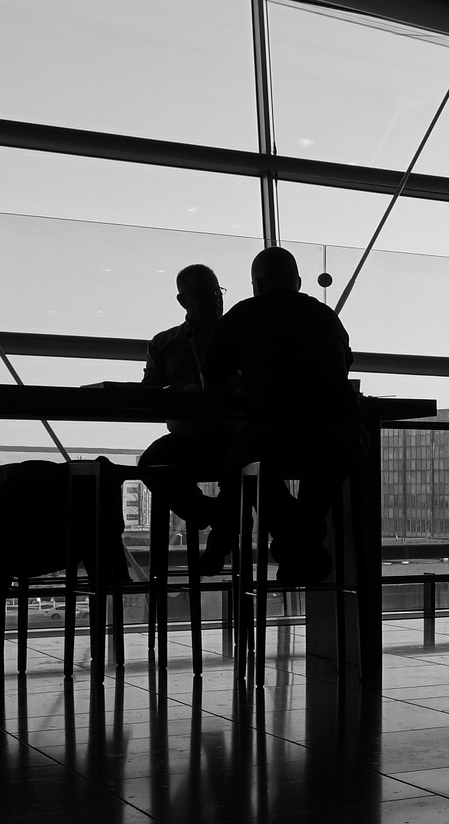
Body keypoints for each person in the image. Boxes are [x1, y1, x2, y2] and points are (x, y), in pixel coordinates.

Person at [202, 246, 359, 584]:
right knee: (321, 476)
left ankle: (278, 537)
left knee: (240, 471)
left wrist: (246, 379)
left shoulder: (245, 314)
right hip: (340, 435)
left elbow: (212, 377)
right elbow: (344, 363)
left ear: (257, 283)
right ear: (299, 282)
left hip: (273, 429)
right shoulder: (326, 315)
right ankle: (300, 541)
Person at [138, 264, 237, 573]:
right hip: (225, 436)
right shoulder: (238, 337)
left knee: (153, 463)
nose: (215, 300)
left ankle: (213, 516)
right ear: (183, 301)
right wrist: (180, 391)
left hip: (200, 436)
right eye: (207, 294)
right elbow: (150, 394)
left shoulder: (167, 344)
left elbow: (148, 395)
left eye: (217, 292)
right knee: (241, 473)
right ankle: (223, 521)